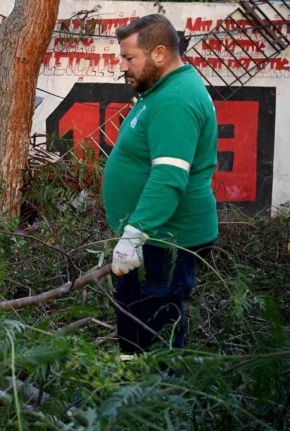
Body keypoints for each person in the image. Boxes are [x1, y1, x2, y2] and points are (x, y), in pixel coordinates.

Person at [102, 14, 218, 354]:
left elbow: (169, 178)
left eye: (129, 57)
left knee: (153, 333)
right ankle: (133, 387)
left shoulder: (175, 101)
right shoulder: (163, 89)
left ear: (159, 54)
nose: (123, 66)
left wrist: (135, 234)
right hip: (153, 237)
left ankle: (155, 398)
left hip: (164, 239)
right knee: (135, 319)